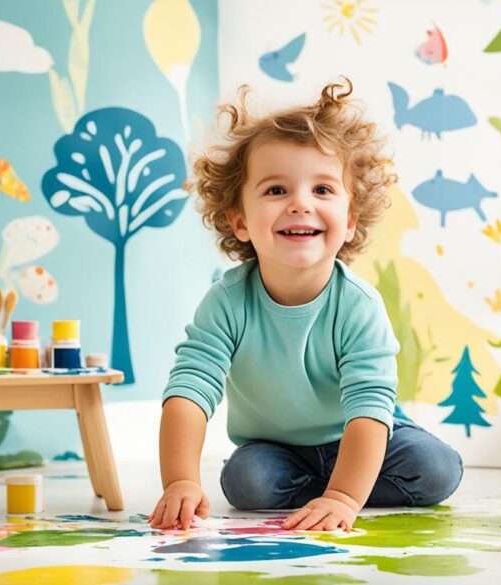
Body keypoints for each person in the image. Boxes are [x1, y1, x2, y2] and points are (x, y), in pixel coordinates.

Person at [150, 78, 463, 532]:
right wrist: (180, 480)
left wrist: (343, 498)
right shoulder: (227, 301)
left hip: (357, 430)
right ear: (239, 220)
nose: (300, 204)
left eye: (322, 190)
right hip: (275, 446)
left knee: (436, 469)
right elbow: (190, 390)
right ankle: (329, 487)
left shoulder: (358, 306)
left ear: (351, 220)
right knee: (247, 483)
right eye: (276, 190)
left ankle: (339, 485)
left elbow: (369, 406)